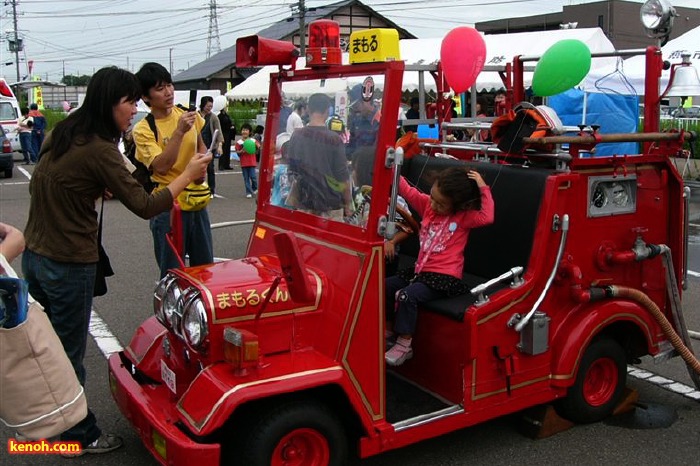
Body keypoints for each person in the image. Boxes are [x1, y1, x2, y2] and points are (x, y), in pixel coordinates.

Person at [21, 66, 210, 455]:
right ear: (111, 103)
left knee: (48, 347)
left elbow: (49, 178)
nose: (134, 109)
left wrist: (91, 187)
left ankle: (45, 417)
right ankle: (80, 435)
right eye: (131, 102)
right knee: (68, 352)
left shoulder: (64, 132)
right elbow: (145, 203)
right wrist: (187, 175)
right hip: (68, 260)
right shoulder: (101, 148)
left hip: (36, 255)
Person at [384, 167, 494, 366]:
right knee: (385, 285)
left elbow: (487, 216)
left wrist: (483, 187)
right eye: (433, 198)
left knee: (406, 295)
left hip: (444, 277)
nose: (433, 205)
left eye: (441, 204)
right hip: (421, 271)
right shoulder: (427, 205)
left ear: (457, 206)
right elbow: (408, 191)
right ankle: (389, 329)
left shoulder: (463, 218)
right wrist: (392, 165)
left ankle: (405, 343)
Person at [134, 62, 214, 278]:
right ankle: (172, 311)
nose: (168, 92)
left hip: (196, 200)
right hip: (167, 207)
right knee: (172, 273)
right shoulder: (143, 129)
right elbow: (161, 165)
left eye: (169, 85)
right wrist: (179, 132)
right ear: (146, 97)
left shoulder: (188, 115)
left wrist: (202, 165)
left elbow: (200, 145)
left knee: (204, 270)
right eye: (160, 89)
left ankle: (200, 312)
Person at [286, 93, 352, 220]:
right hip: (330, 206)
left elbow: (292, 169)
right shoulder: (334, 139)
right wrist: (348, 203)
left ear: (308, 110)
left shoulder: (296, 135)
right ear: (327, 111)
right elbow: (342, 176)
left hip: (303, 203)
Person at [346, 83, 381, 160]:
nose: (355, 109)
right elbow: (351, 147)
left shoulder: (380, 121)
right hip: (357, 167)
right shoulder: (356, 121)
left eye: (356, 105)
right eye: (353, 106)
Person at [199, 95, 223, 196]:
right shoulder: (197, 115)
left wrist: (219, 145)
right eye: (208, 106)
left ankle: (211, 190)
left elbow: (219, 132)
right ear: (203, 105)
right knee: (198, 169)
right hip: (198, 146)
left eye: (211, 106)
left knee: (210, 169)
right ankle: (199, 188)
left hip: (210, 146)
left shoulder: (213, 117)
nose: (209, 108)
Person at [234, 123, 259, 198]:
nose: (244, 131)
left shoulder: (253, 140)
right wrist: (242, 151)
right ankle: (248, 191)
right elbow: (238, 153)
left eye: (246, 130)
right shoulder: (239, 142)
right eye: (243, 130)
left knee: (253, 177)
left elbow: (258, 149)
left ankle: (255, 188)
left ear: (250, 132)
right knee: (246, 178)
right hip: (244, 163)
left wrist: (257, 147)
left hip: (252, 162)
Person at [216, 96, 234, 171]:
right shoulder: (219, 116)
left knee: (227, 149)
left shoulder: (227, 115)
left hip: (228, 134)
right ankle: (221, 165)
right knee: (223, 149)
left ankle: (227, 164)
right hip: (223, 133)